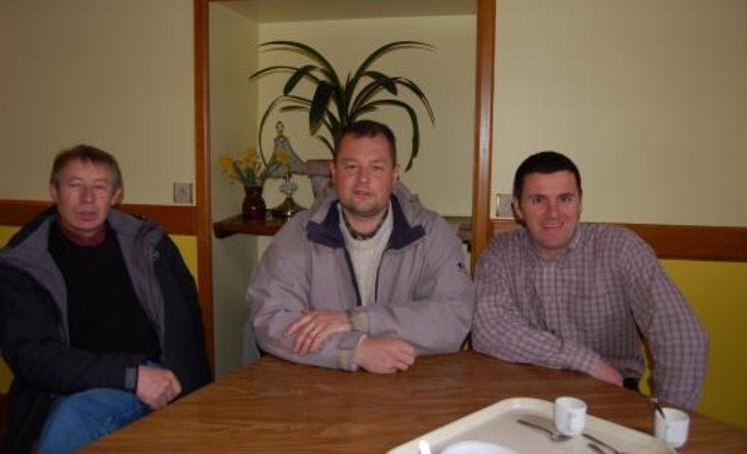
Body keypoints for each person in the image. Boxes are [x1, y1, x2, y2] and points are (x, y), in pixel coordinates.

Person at [0, 144, 211, 453]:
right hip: (71, 386)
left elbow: (189, 315)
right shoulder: (22, 263)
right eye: (75, 186)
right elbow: (33, 356)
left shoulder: (150, 244)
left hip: (157, 372)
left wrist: (197, 392)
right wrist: (130, 377)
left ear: (116, 195)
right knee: (73, 419)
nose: (87, 199)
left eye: (99, 187)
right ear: (54, 191)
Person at [472, 151, 708, 409]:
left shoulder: (620, 248)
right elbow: (489, 329)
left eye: (565, 199)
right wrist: (587, 362)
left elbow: (684, 338)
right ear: (518, 207)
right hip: (526, 396)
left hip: (612, 394)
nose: (553, 213)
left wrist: (669, 424)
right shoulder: (500, 253)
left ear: (580, 203)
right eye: (538, 200)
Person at [247, 121, 474, 373]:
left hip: (411, 380)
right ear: (333, 172)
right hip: (319, 385)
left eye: (376, 168)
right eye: (351, 167)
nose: (363, 179)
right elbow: (271, 321)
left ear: (395, 174)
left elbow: (455, 317)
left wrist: (358, 320)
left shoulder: (430, 233)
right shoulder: (299, 234)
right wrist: (354, 350)